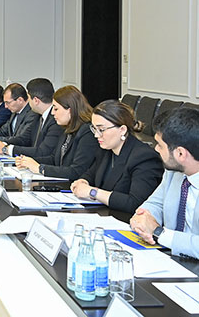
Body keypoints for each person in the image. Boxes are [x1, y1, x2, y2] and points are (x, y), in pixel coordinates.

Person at [70, 100, 163, 213]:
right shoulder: (106, 149)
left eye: (101, 130)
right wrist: (82, 181)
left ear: (122, 130)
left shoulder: (144, 157)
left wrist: (93, 192)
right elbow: (91, 174)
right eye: (94, 129)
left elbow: (136, 203)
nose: (96, 135)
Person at [130, 107, 199, 258]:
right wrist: (141, 220)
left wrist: (158, 232)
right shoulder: (174, 172)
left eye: (160, 145)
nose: (156, 149)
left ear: (180, 153)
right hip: (168, 258)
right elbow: (155, 203)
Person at [16, 85, 97, 180]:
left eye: (56, 109)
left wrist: (40, 168)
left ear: (70, 110)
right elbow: (54, 159)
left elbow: (76, 171)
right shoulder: (67, 128)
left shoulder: (87, 132)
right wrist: (28, 161)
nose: (52, 113)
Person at [0, 78, 62, 158]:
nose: (28, 102)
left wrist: (5, 149)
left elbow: (43, 152)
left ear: (36, 100)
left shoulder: (55, 120)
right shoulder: (38, 115)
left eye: (29, 98)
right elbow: (24, 139)